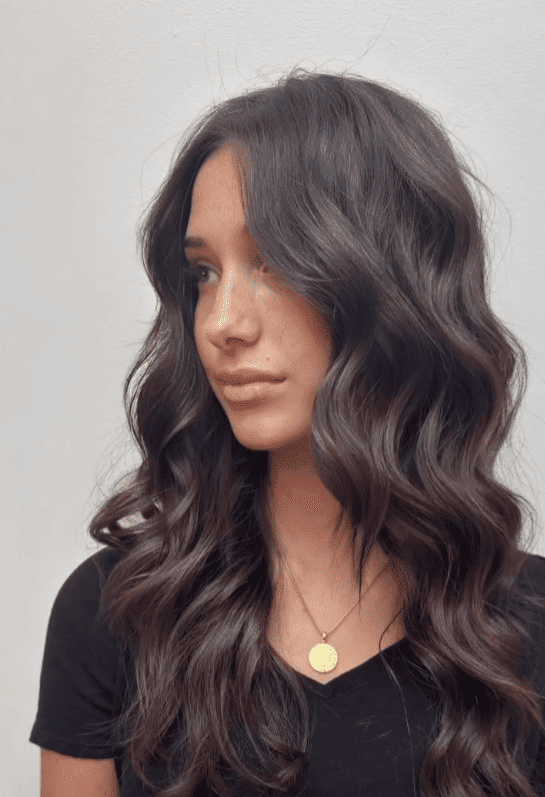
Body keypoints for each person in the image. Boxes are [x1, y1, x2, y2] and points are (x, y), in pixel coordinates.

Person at [30, 66, 545, 797]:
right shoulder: (115, 615)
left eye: (272, 261)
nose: (221, 324)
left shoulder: (527, 629)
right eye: (203, 273)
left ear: (391, 284)